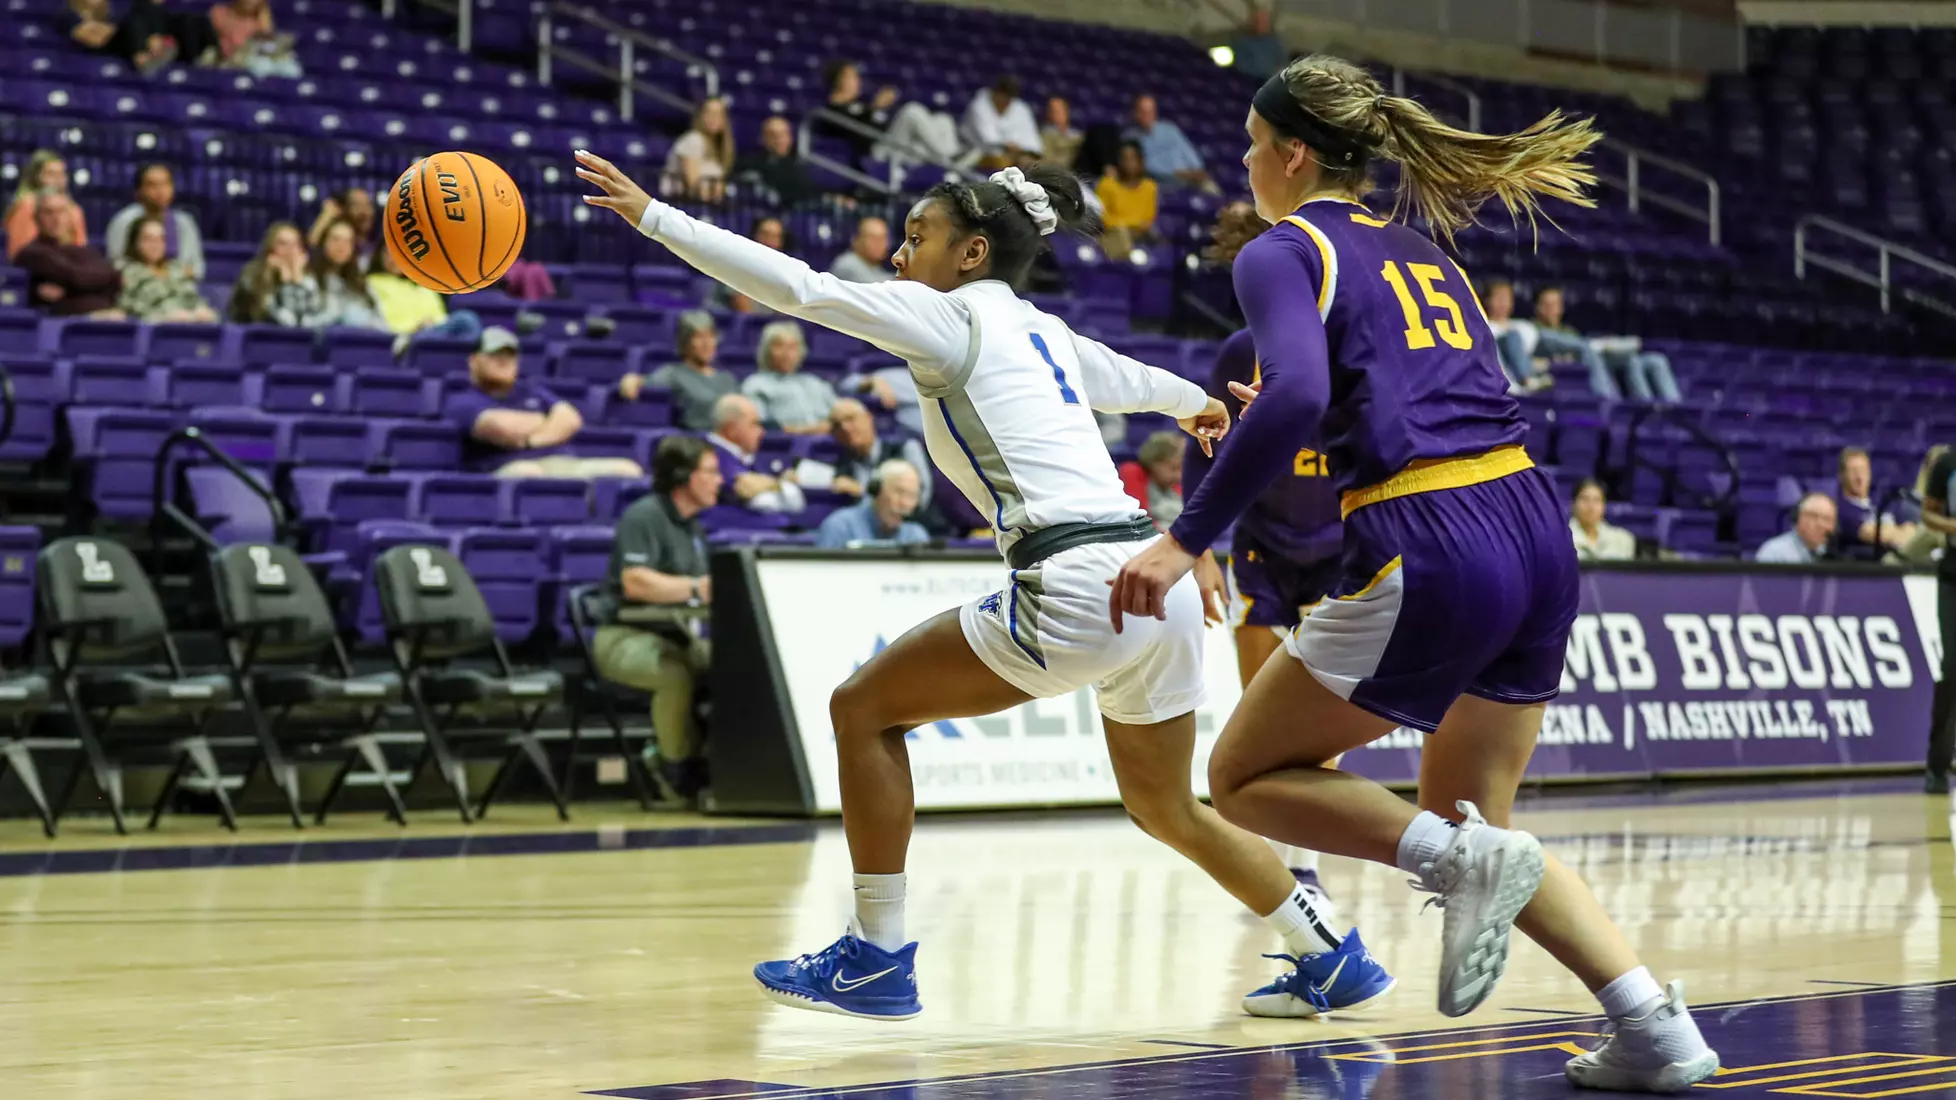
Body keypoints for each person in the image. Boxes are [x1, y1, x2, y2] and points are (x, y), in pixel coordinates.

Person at [579, 149, 1386, 1022]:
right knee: (1166, 806)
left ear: (970, 253)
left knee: (862, 711)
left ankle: (875, 957)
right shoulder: (1045, 332)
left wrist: (657, 217)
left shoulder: (948, 316)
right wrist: (1202, 404)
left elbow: (802, 289)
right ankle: (1328, 952)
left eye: (916, 236)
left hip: (1081, 582)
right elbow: (1144, 384)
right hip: (1161, 582)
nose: (899, 254)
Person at [1106, 55, 1719, 1090]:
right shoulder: (1422, 253)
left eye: (1253, 146)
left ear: (1293, 154)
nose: (1245, 164)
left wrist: (1186, 536)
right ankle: (1653, 1023)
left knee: (1242, 778)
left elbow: (1299, 394)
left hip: (1436, 532)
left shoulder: (1282, 249)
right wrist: (1308, 416)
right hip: (1533, 521)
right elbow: (1403, 398)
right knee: (1474, 826)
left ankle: (1466, 869)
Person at [1184, 201, 1366, 948]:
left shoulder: (1352, 342)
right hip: (1262, 541)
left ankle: (1306, 864)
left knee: (1314, 715)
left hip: (1338, 544)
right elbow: (1204, 449)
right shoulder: (1240, 351)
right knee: (1260, 711)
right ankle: (1270, 861)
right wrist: (1197, 546)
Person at [595, 434, 720, 800]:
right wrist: (697, 588)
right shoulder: (644, 516)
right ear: (683, 477)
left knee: (731, 667)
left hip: (674, 635)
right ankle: (673, 767)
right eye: (711, 471)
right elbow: (635, 582)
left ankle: (716, 763)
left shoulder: (693, 528)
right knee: (674, 675)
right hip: (622, 637)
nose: (720, 480)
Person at [444, 327, 645, 479]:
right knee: (528, 473)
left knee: (628, 470)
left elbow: (570, 419)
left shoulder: (532, 390)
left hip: (564, 464)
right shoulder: (463, 400)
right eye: (494, 354)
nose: (504, 360)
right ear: (473, 361)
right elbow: (499, 427)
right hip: (506, 470)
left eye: (510, 355)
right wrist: (546, 420)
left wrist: (530, 441)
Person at [1533, 287, 1681, 403]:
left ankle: (1674, 411)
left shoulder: (1570, 332)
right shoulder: (1533, 332)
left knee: (1653, 361)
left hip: (1600, 364)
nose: (1554, 310)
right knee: (1594, 349)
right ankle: (1642, 410)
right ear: (1538, 307)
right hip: (1577, 379)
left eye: (1557, 305)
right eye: (1548, 305)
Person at [1915, 447, 1956, 794]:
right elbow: (1928, 514)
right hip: (1953, 578)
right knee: (1952, 666)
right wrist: (1953, 525)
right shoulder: (1947, 464)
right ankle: (1938, 763)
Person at [14, 193, 123, 319]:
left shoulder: (85, 251)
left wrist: (69, 291)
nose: (56, 219)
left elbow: (115, 280)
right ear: (36, 218)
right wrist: (103, 279)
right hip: (63, 322)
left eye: (62, 212)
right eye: (49, 213)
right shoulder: (32, 253)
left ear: (71, 216)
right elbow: (76, 278)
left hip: (102, 316)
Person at [368, 245, 484, 354]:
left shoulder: (423, 284)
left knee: (468, 319)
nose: (393, 259)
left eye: (399, 254)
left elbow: (440, 316)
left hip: (433, 332)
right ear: (379, 256)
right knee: (465, 320)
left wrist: (431, 324)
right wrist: (414, 328)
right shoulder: (372, 282)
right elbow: (378, 319)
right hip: (403, 336)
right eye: (388, 253)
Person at [635, 310, 738, 432]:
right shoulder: (673, 373)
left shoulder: (727, 378)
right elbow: (643, 382)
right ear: (685, 342)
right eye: (699, 337)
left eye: (711, 336)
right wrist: (633, 381)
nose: (706, 343)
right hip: (693, 439)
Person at [706, 394, 806, 515]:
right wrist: (780, 483)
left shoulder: (743, 455)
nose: (761, 432)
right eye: (754, 424)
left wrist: (775, 483)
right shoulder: (711, 453)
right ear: (731, 429)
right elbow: (745, 486)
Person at [103, 163, 205, 280]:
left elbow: (197, 269)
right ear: (139, 190)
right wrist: (151, 275)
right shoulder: (124, 221)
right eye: (152, 185)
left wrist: (168, 274)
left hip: (177, 285)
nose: (160, 191)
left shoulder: (185, 222)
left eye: (165, 184)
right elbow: (117, 265)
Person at [828, 397, 930, 510]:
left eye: (850, 419)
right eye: (837, 425)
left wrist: (862, 492)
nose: (845, 428)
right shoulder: (842, 466)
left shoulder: (905, 448)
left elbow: (919, 499)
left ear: (868, 418)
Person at [742, 320, 838, 435]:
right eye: (779, 346)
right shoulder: (756, 384)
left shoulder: (814, 382)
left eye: (793, 347)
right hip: (786, 443)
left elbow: (839, 413)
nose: (787, 353)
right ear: (766, 351)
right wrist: (808, 431)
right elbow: (758, 425)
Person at [66, 0, 218, 71]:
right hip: (108, 47)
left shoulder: (108, 11)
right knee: (137, 17)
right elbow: (89, 38)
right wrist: (104, 29)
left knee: (186, 20)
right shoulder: (70, 14)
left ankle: (201, 56)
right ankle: (142, 56)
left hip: (128, 39)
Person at [116, 215, 216, 322]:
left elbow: (193, 298)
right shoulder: (129, 273)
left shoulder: (176, 268)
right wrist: (164, 317)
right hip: (155, 326)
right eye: (149, 239)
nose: (155, 244)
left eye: (161, 239)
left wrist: (201, 311)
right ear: (136, 243)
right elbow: (129, 308)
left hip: (188, 323)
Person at [815, 459, 931, 548]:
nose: (904, 503)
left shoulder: (916, 536)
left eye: (911, 496)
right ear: (876, 490)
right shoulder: (840, 527)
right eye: (899, 492)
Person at [227, 221, 318, 325]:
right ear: (270, 247)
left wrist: (298, 280)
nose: (289, 250)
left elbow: (307, 318)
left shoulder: (308, 274)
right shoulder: (253, 273)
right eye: (283, 244)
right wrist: (281, 280)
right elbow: (275, 318)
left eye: (294, 245)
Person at [1125, 94, 1219, 194]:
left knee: (1213, 191)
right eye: (1144, 112)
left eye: (1151, 111)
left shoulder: (1170, 129)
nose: (1148, 116)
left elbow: (1188, 152)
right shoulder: (1130, 137)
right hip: (1163, 185)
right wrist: (1180, 174)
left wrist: (1198, 170)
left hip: (1192, 179)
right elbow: (1148, 168)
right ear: (1136, 113)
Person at [1833, 446, 1914, 559]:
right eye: (1853, 471)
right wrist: (1897, 532)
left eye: (1863, 471)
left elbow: (1912, 530)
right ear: (1841, 476)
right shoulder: (1842, 509)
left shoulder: (1882, 501)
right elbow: (1873, 535)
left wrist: (1890, 533)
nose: (1859, 477)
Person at [5, 151, 86, 262]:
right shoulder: (27, 205)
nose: (58, 179)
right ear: (35, 177)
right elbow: (18, 252)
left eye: (62, 173)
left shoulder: (74, 209)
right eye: (51, 174)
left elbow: (81, 249)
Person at [308, 218, 385, 330]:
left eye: (348, 241)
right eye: (336, 239)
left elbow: (380, 321)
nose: (341, 246)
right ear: (323, 242)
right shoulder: (309, 279)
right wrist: (337, 317)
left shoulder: (362, 284)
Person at [735, 116, 818, 209]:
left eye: (784, 135)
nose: (780, 140)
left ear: (790, 138)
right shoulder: (747, 163)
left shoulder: (802, 172)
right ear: (763, 138)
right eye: (773, 136)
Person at [961, 75, 1041, 169]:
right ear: (995, 92)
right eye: (1003, 95)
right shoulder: (979, 106)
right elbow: (987, 139)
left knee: (1033, 164)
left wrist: (1022, 151)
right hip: (975, 154)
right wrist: (1009, 146)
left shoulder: (1020, 108)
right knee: (1001, 162)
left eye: (1009, 96)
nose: (1005, 100)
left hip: (1015, 155)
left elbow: (1032, 140)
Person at [663, 97, 734, 202]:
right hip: (684, 203)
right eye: (709, 113)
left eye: (718, 114)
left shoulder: (719, 146)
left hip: (710, 203)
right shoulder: (693, 140)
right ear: (700, 116)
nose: (713, 118)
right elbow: (694, 185)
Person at [1095, 142, 1160, 258]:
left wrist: (1130, 224)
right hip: (1112, 233)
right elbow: (1103, 218)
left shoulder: (1150, 187)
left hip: (1140, 234)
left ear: (1141, 161)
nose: (1129, 163)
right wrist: (1130, 224)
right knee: (1121, 235)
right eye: (1125, 159)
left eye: (1133, 159)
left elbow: (1148, 219)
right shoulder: (1106, 185)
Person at [208, 0, 300, 77]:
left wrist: (264, 16)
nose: (251, 2)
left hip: (259, 55)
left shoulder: (260, 17)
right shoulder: (220, 12)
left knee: (291, 68)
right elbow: (226, 46)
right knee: (263, 65)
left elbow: (267, 40)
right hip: (236, 59)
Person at [712, 217, 784, 314]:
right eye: (765, 234)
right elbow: (743, 308)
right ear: (755, 235)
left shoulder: (781, 269)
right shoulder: (739, 262)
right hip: (726, 319)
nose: (770, 240)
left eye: (775, 236)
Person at [1483, 279, 1545, 391]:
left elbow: (1533, 353)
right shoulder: (1483, 327)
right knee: (1512, 337)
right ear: (1488, 300)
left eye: (1507, 298)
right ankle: (1526, 379)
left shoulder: (1524, 326)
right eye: (1499, 298)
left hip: (1526, 377)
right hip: (1500, 381)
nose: (1503, 303)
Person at [1120, 431, 1184, 528]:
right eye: (1173, 468)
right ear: (1154, 461)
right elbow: (1138, 518)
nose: (1179, 476)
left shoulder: (1174, 485)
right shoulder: (1132, 472)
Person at [1754, 492, 1836, 564]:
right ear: (1797, 518)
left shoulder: (1833, 555)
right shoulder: (1773, 552)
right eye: (1813, 516)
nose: (1820, 524)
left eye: (1827, 519)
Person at [1569, 479, 1635, 561]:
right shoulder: (1561, 540)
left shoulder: (1623, 539)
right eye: (1585, 499)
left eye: (1596, 500)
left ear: (1604, 506)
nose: (1591, 506)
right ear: (1573, 505)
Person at [308, 187, 377, 260]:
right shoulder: (334, 245)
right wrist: (325, 217)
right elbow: (311, 246)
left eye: (368, 204)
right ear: (343, 210)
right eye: (357, 205)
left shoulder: (376, 244)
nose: (364, 211)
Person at [1231, 5, 1288, 82]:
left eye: (1264, 21)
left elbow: (1282, 61)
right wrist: (1268, 72)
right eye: (1258, 21)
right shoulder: (1242, 43)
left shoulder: (1275, 42)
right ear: (1252, 22)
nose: (1261, 24)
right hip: (1252, 81)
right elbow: (1241, 67)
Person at [829, 217, 893, 284]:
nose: (879, 243)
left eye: (883, 238)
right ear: (856, 240)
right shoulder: (847, 266)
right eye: (873, 238)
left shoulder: (874, 265)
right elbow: (873, 288)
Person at [1040, 96, 1083, 171]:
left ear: (1067, 112)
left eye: (1059, 110)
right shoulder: (1045, 134)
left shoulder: (1078, 135)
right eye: (1052, 111)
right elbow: (1047, 159)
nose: (1056, 114)